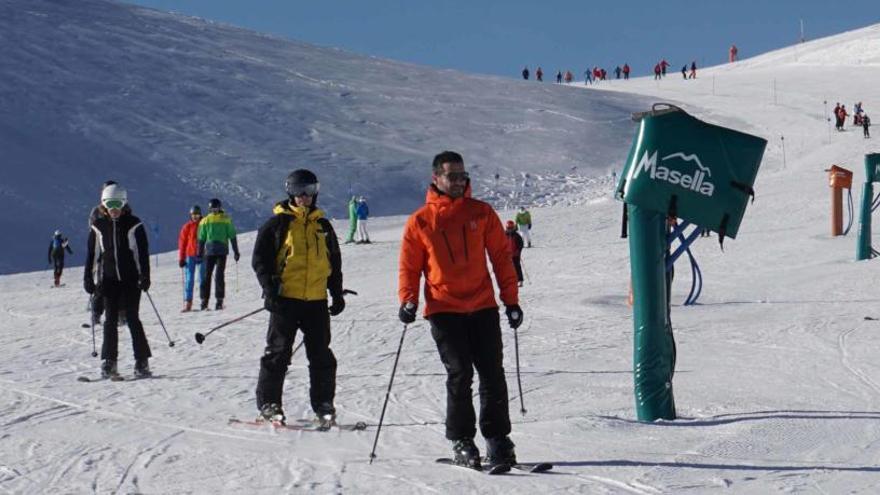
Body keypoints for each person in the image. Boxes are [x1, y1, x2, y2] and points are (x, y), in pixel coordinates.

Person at [398, 150, 522, 469]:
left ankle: (497, 439)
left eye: (462, 176)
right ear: (436, 178)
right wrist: (408, 299)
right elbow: (409, 267)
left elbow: (500, 258)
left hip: (482, 306)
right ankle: (461, 440)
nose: (458, 181)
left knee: (492, 373)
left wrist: (511, 301)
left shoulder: (481, 213)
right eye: (452, 176)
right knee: (460, 373)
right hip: (443, 308)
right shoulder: (420, 221)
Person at [251, 169, 345, 426]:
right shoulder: (278, 225)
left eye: (310, 190)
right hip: (286, 300)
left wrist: (336, 293)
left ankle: (323, 403)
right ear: (290, 192)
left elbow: (333, 262)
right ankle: (269, 403)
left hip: (315, 300)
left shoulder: (322, 226)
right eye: (299, 191)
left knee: (321, 354)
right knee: (278, 352)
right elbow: (260, 261)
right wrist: (270, 289)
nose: (305, 196)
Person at [83, 184, 152, 379]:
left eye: (118, 204)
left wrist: (145, 276)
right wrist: (88, 277)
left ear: (124, 203)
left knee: (132, 318)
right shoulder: (98, 227)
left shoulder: (134, 224)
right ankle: (109, 362)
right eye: (110, 204)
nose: (114, 208)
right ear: (103, 205)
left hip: (131, 281)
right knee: (110, 321)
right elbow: (92, 254)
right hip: (109, 281)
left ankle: (141, 361)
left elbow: (142, 253)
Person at [198, 198, 240, 310]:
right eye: (212, 208)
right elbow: (201, 238)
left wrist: (236, 251)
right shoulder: (206, 221)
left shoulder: (225, 219)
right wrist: (199, 252)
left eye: (216, 208)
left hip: (220, 251)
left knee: (218, 276)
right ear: (209, 209)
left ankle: (219, 301)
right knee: (207, 276)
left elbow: (232, 236)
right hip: (211, 252)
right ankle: (204, 301)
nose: (214, 210)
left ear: (220, 208)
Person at [177, 205, 204, 312]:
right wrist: (181, 258)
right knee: (189, 279)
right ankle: (188, 302)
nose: (195, 217)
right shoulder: (187, 227)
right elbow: (182, 243)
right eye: (193, 215)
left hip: (202, 254)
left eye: (197, 215)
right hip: (190, 255)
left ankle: (203, 301)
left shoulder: (204, 225)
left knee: (202, 278)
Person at [505, 221, 525, 287]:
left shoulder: (517, 235)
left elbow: (521, 244)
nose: (510, 230)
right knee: (509, 268)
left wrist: (518, 251)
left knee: (517, 267)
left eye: (511, 228)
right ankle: (512, 281)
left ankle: (520, 280)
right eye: (508, 228)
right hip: (508, 255)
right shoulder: (504, 235)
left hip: (515, 255)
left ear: (513, 228)